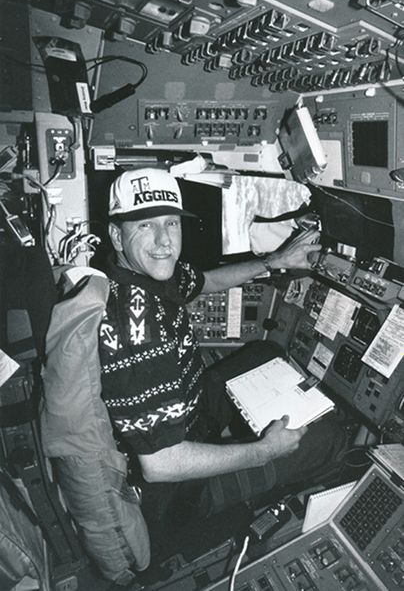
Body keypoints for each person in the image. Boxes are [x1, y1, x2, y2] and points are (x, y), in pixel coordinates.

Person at [99, 167, 347, 560]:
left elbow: (202, 282)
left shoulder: (138, 272)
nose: (164, 241)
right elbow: (160, 464)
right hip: (175, 492)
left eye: (171, 223)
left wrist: (274, 260)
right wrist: (264, 451)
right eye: (145, 226)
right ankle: (275, 504)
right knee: (330, 439)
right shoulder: (134, 332)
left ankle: (249, 441)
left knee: (267, 355)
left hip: (192, 407)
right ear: (117, 235)